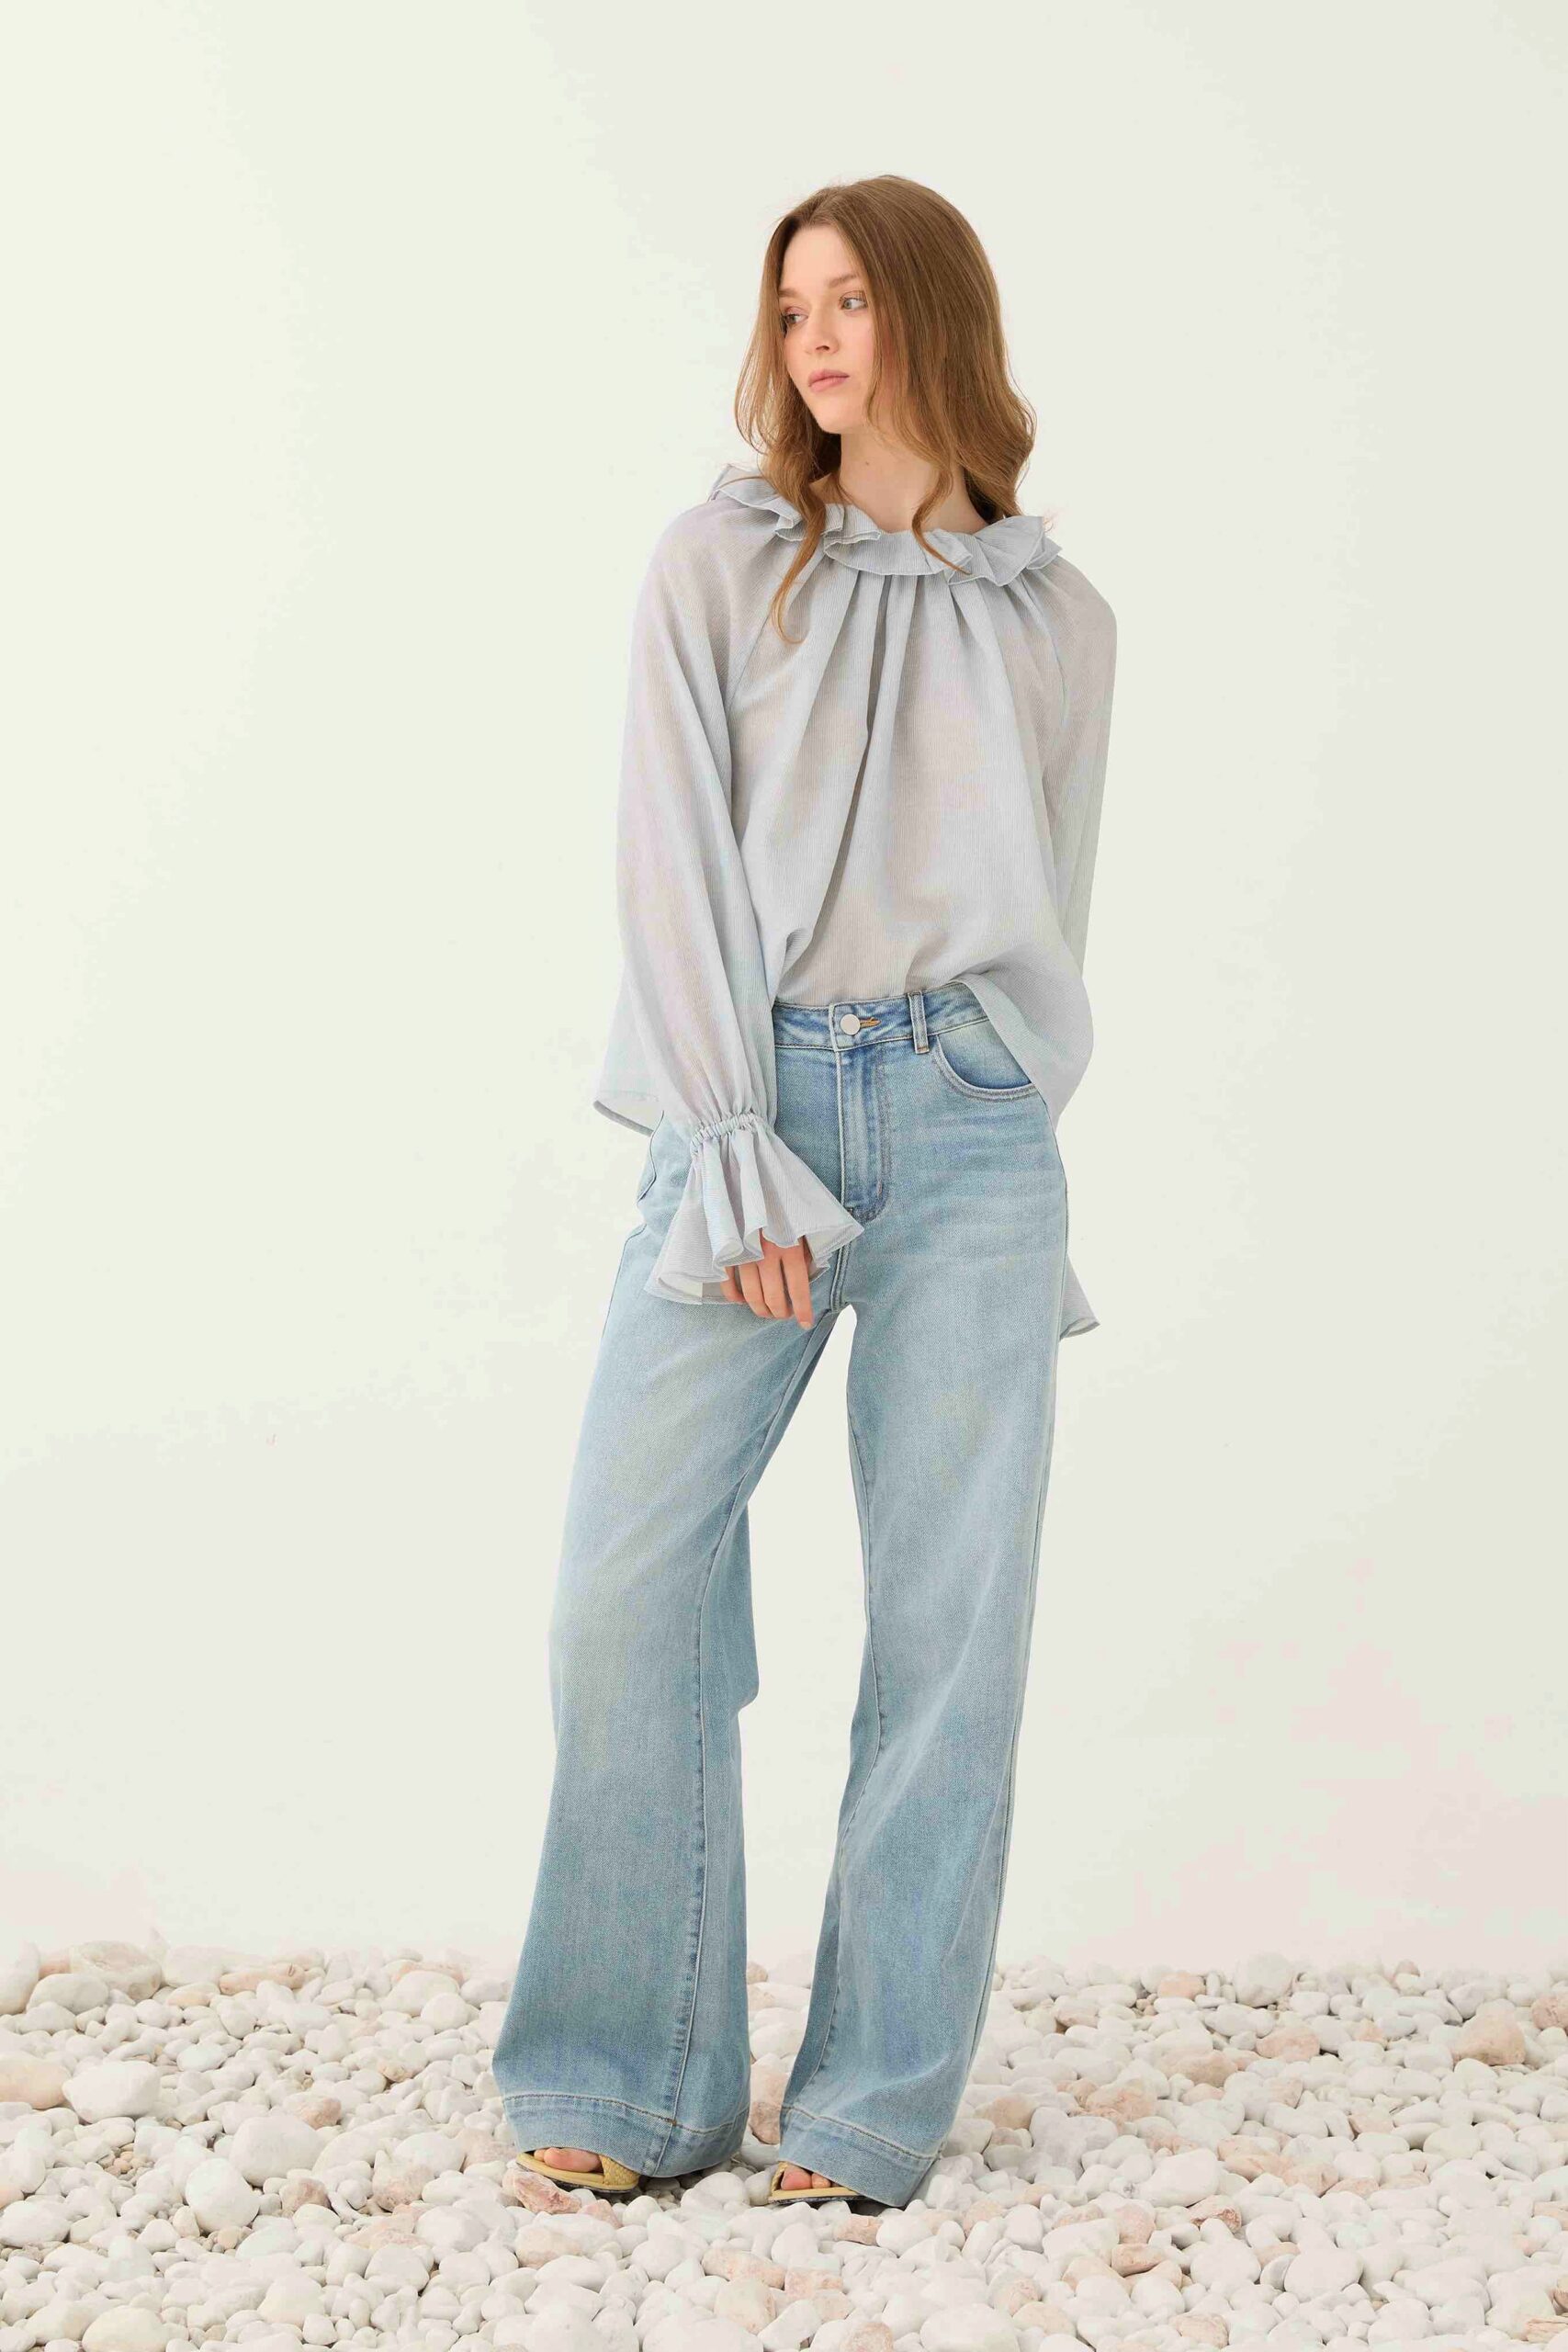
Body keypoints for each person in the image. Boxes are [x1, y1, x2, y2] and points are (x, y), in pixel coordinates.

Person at [492, 172, 1118, 2212]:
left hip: (968, 1127)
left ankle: (867, 2111)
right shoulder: (721, 564)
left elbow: (1053, 900)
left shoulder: (1058, 619)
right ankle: (630, 2077)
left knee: (951, 1630)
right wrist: (733, 1140)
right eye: (789, 309)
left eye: (848, 300)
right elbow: (666, 862)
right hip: (743, 1105)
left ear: (933, 314)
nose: (814, 340)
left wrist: (999, 1098)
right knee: (625, 1585)